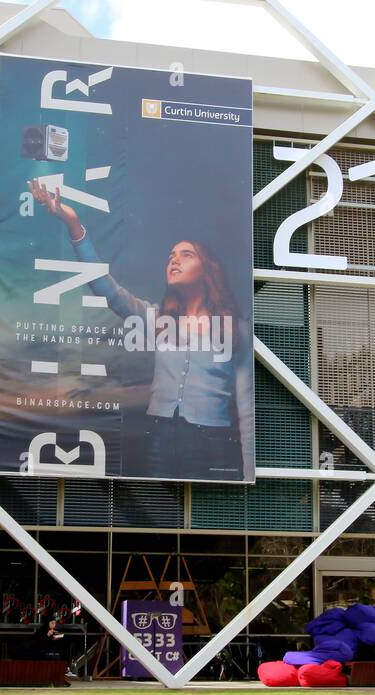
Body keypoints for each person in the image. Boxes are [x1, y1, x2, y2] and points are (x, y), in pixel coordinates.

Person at [28, 180, 254, 481]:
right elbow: (106, 289)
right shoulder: (158, 318)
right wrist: (74, 224)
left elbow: (246, 406)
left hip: (213, 442)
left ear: (208, 268)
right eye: (171, 255)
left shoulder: (236, 329)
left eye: (186, 254)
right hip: (158, 434)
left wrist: (249, 469)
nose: (173, 259)